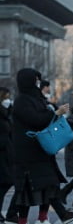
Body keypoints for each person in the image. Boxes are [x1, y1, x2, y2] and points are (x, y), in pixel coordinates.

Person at [12, 68, 73, 224]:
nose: (38, 82)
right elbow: (36, 120)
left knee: (47, 185)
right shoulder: (22, 101)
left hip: (41, 151)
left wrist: (54, 112)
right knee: (28, 192)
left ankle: (47, 217)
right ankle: (58, 215)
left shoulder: (36, 98)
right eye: (36, 79)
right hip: (28, 154)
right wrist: (56, 113)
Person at [0, 87, 18, 223]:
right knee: (6, 183)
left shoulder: (7, 113)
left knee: (5, 183)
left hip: (8, 153)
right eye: (6, 97)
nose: (8, 100)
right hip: (2, 153)